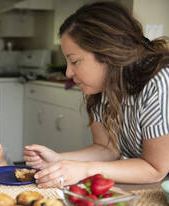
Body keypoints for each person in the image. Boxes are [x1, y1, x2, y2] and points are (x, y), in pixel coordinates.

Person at [23, 1, 169, 188]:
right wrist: (58, 160)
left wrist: (84, 170)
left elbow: (155, 169)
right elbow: (107, 149)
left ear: (107, 54)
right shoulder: (103, 88)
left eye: (74, 61)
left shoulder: (160, 82)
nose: (68, 73)